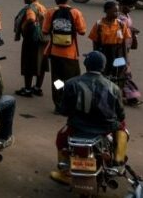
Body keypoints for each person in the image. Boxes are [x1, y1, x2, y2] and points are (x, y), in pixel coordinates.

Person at [50, 51, 128, 184]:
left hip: (78, 127)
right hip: (105, 128)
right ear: (103, 67)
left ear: (86, 65)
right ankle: (118, 160)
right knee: (123, 129)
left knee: (61, 138)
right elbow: (121, 115)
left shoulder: (71, 83)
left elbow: (63, 110)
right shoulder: (114, 88)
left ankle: (64, 172)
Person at [42, 0, 87, 112]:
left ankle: (58, 104)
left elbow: (45, 31)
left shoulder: (50, 12)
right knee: (72, 80)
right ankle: (71, 104)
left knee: (57, 80)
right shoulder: (75, 12)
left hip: (55, 53)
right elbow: (82, 31)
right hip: (70, 54)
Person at [13, 0, 48, 97]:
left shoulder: (30, 9)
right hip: (43, 39)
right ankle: (37, 87)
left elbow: (31, 19)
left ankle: (27, 89)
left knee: (28, 64)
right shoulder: (42, 7)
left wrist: (23, 26)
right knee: (40, 64)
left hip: (31, 40)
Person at [88, 1, 131, 85]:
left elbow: (124, 44)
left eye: (118, 11)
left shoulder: (121, 24)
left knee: (118, 77)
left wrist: (126, 60)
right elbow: (95, 43)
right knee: (103, 77)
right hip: (104, 55)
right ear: (107, 11)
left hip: (118, 55)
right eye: (114, 11)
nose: (117, 13)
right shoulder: (98, 25)